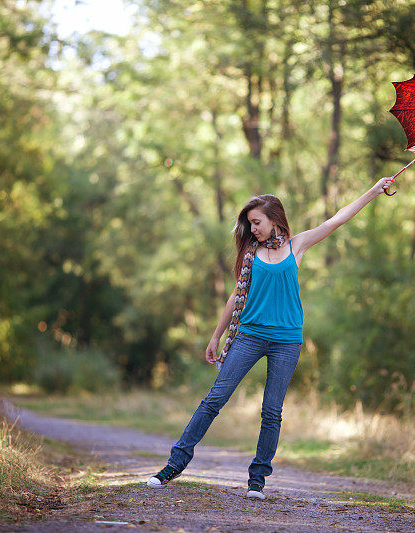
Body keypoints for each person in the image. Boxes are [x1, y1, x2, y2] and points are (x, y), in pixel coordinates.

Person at [147, 176, 395, 499]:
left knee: (271, 411)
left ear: (274, 220)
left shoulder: (298, 246)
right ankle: (174, 464)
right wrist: (216, 336)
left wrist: (374, 191)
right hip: (249, 336)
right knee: (214, 399)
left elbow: (339, 218)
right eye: (250, 224)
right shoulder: (251, 255)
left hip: (286, 342)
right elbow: (237, 296)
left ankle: (257, 480)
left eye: (257, 222)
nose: (253, 230)